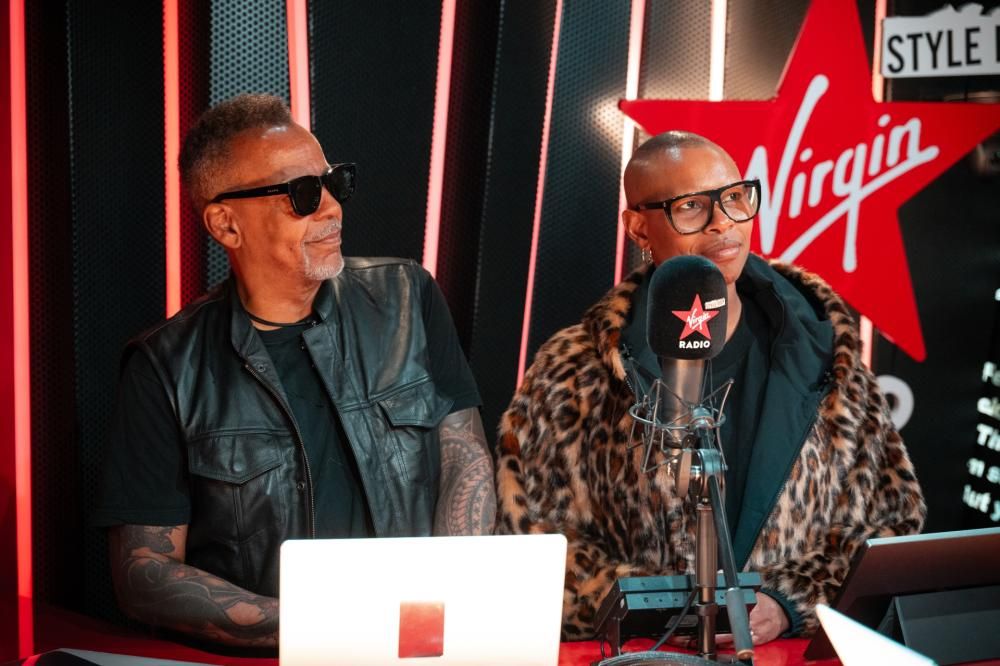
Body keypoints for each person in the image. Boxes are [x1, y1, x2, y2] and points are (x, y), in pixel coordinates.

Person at [93, 93, 495, 648]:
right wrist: (326, 628)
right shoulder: (164, 366)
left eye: (334, 183)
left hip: (421, 649)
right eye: (301, 194)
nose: (331, 209)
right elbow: (145, 574)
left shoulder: (408, 297)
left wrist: (439, 614)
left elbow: (465, 460)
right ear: (226, 224)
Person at [495, 131, 925, 645]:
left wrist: (788, 603)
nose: (724, 222)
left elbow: (891, 523)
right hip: (644, 656)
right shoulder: (574, 369)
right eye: (691, 206)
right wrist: (664, 611)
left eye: (735, 197)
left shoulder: (826, 350)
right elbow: (533, 541)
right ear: (639, 227)